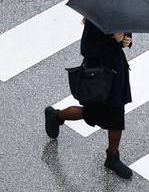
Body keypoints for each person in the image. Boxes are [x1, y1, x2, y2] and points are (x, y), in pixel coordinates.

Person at [45, 18, 133, 179]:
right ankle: (56, 116)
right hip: (99, 75)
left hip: (117, 73)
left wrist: (127, 39)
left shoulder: (120, 12)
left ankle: (112, 157)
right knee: (90, 114)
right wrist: (114, 41)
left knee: (117, 118)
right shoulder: (95, 20)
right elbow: (86, 49)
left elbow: (125, 33)